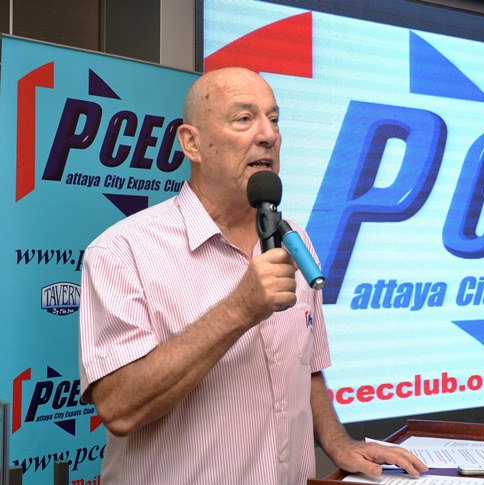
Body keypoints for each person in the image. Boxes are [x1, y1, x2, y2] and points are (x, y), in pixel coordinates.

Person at [78, 66, 428, 484]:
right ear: (192, 143)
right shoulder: (123, 252)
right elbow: (119, 408)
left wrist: (339, 443)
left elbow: (307, 367)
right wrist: (239, 310)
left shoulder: (294, 239)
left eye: (274, 119)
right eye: (244, 119)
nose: (268, 135)